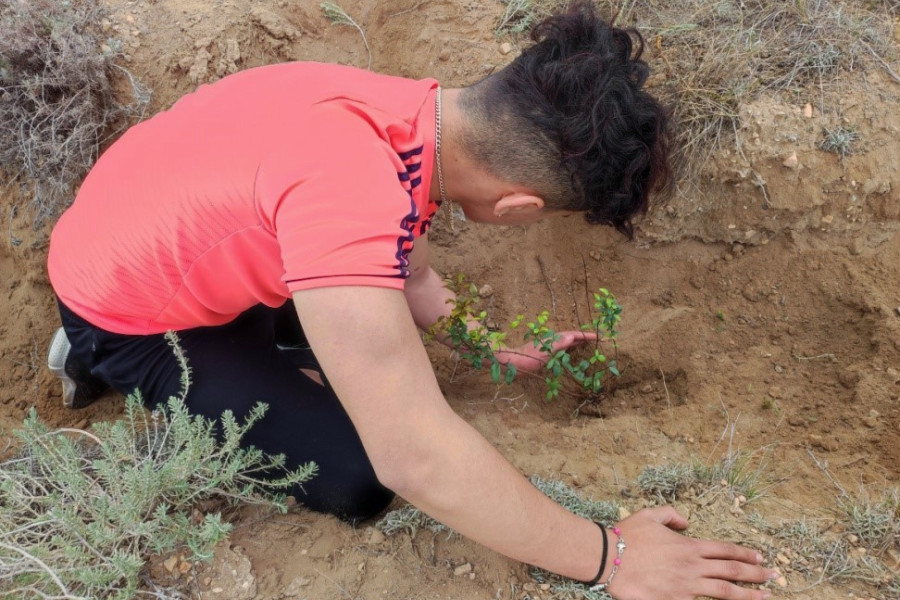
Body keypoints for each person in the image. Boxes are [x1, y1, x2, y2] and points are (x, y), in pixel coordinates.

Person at [46, 4, 778, 599]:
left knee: (351, 330)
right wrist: (609, 558)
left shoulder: (411, 117)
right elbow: (414, 459)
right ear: (520, 207)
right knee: (356, 478)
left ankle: (284, 345)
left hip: (161, 226)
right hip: (129, 311)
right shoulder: (350, 194)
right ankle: (89, 356)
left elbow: (414, 275)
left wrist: (483, 343)